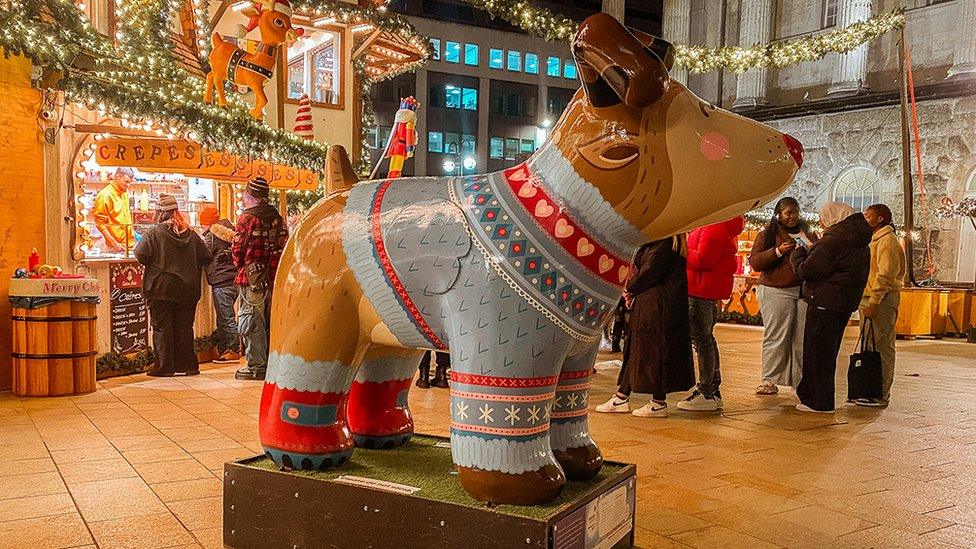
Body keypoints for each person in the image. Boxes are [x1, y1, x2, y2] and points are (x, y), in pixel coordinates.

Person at [596, 236, 696, 418]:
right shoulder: (663, 242)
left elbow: (650, 271)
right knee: (636, 349)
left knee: (654, 354)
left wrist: (630, 288)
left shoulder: (665, 242)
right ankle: (622, 396)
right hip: (652, 304)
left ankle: (658, 402)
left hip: (658, 307)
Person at [791, 202, 871, 413]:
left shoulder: (835, 240)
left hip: (825, 303)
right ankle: (818, 398)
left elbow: (809, 270)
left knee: (818, 354)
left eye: (823, 218)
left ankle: (818, 401)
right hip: (841, 304)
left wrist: (798, 255)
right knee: (827, 352)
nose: (821, 222)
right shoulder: (858, 239)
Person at [134, 194, 211, 377]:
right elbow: (206, 256)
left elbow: (140, 254)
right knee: (185, 327)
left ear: (160, 212)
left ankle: (164, 367)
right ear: (176, 211)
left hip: (161, 288)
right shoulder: (191, 234)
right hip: (187, 289)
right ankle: (188, 366)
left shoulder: (154, 233)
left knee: (162, 327)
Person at [748, 197, 819, 395]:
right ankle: (769, 378)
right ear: (778, 214)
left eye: (795, 212)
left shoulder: (808, 234)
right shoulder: (767, 235)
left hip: (802, 291)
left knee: (800, 337)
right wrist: (778, 252)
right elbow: (756, 261)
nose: (792, 216)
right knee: (777, 334)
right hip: (775, 290)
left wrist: (810, 249)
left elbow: (819, 256)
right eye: (788, 212)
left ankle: (799, 380)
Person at [677, 216, 745, 412]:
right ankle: (712, 390)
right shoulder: (718, 227)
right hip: (704, 289)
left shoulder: (713, 228)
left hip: (701, 290)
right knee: (705, 339)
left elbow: (703, 260)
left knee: (702, 340)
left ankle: (706, 390)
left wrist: (682, 250)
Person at [232, 177, 289, 380]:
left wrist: (241, 264)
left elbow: (237, 252)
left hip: (252, 279)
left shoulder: (247, 218)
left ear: (250, 195)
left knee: (251, 321)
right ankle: (271, 363)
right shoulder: (278, 218)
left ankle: (257, 366)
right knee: (270, 321)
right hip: (274, 277)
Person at [856, 203, 906, 407]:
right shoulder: (874, 240)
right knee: (869, 346)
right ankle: (869, 390)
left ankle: (880, 393)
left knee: (881, 346)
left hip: (881, 300)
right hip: (869, 298)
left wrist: (874, 300)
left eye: (868, 216)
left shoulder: (887, 242)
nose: (864, 219)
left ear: (880, 219)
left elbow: (884, 275)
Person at [201, 206, 241, 364]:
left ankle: (232, 350)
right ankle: (226, 348)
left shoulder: (211, 236)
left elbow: (204, 256)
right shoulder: (231, 232)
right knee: (229, 316)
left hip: (222, 281)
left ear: (207, 223)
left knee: (226, 317)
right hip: (235, 279)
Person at [92, 167, 136, 253]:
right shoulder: (105, 195)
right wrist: (114, 243)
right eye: (126, 181)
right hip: (114, 247)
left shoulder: (124, 193)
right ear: (117, 177)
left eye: (130, 182)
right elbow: (100, 223)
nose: (128, 185)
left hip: (128, 244)